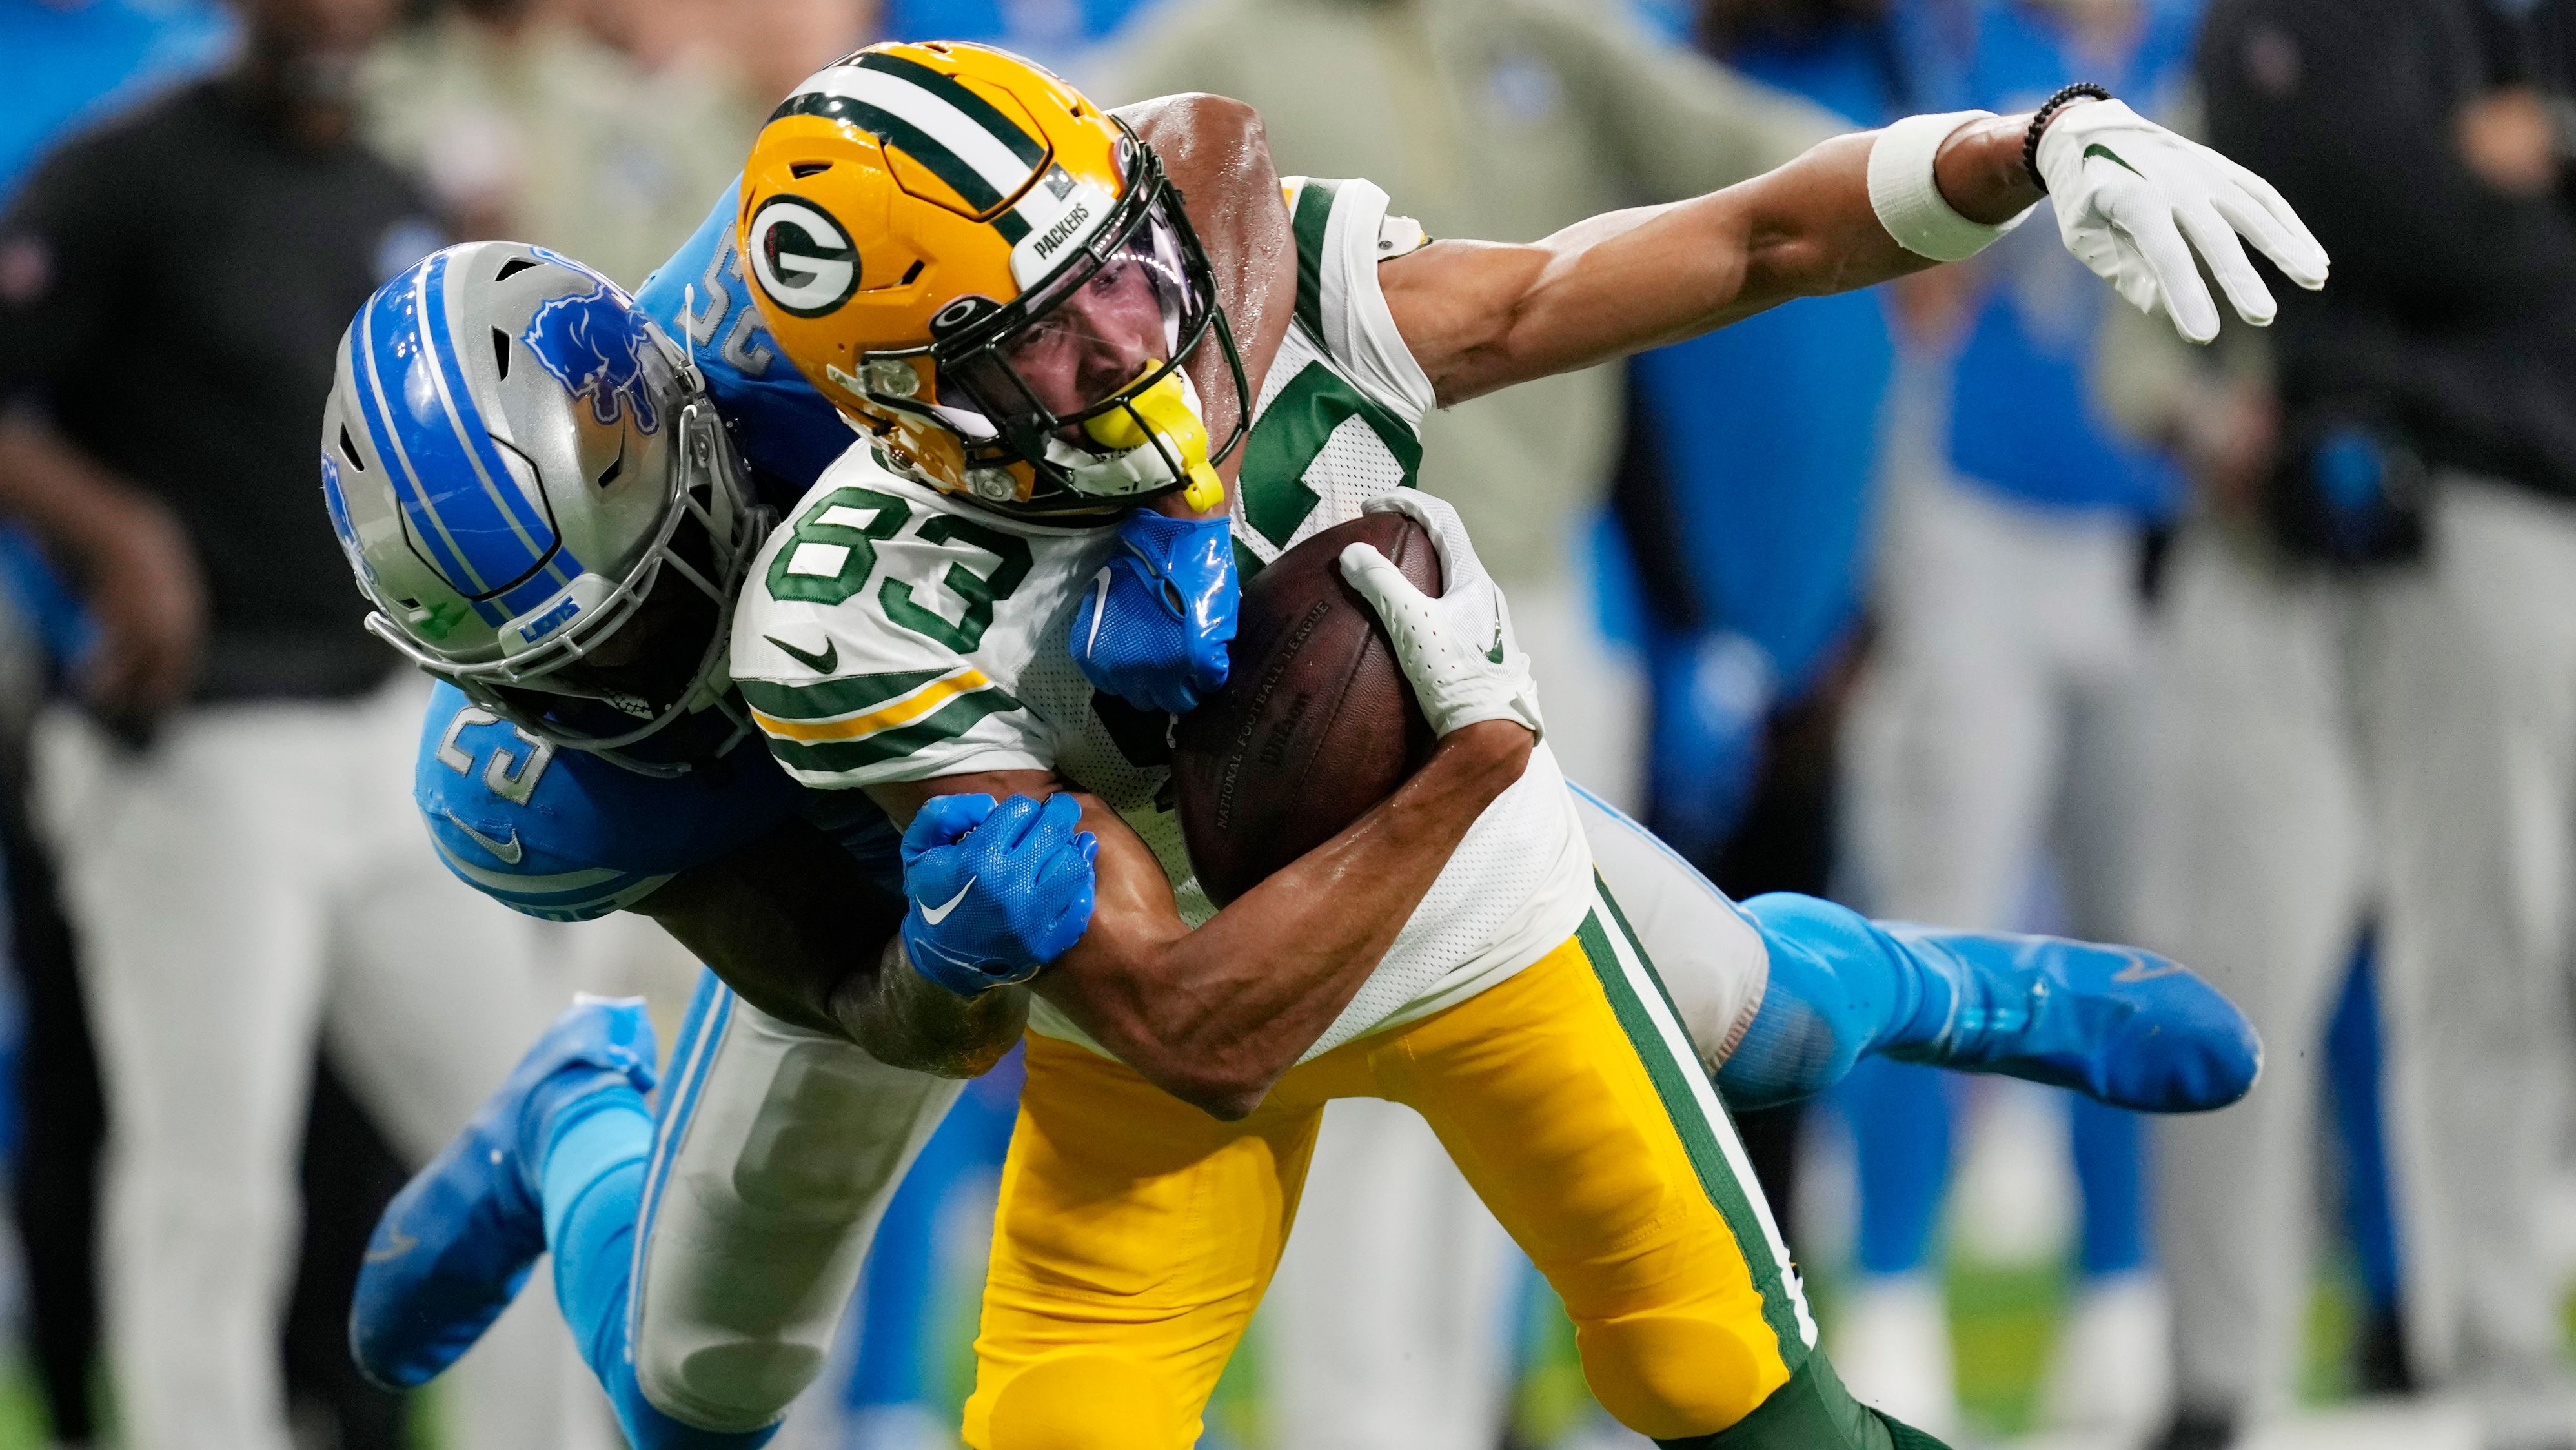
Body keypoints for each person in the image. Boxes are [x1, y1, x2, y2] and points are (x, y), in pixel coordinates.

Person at [343, 47, 2273, 1449]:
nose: (642, 654)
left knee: (1736, 999)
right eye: (571, 660)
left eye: (648, 581)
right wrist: (948, 956)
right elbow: (873, 992)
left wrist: (1193, 486)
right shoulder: (638, 726)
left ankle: (1945, 984)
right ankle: (576, 1108)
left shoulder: (836, 301)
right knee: (703, 1381)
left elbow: (1193, 163)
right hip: (910, 890)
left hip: (1218, 799)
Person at [0, 0, 599, 1446]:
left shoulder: (394, 195)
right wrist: (112, 529)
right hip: (195, 751)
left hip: (388, 725)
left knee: (528, 1131)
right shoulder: (123, 170)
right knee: (212, 1181)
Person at [2115, 2, 2576, 1445]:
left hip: (2497, 502)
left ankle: (2504, 1361)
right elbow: (2305, 186)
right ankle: (2214, 1383)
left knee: (2497, 950)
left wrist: (2481, 175)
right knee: (2230, 969)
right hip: (2268, 516)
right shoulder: (2260, 19)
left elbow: (2472, 236)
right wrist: (2475, 176)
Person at [1831, 0, 2202, 1434]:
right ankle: (1891, 1285)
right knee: (1942, 918)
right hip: (1976, 530)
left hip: (2163, 541)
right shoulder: (1953, 42)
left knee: (2138, 925)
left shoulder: (2205, 41)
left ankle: (2124, 1290)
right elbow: (1910, 289)